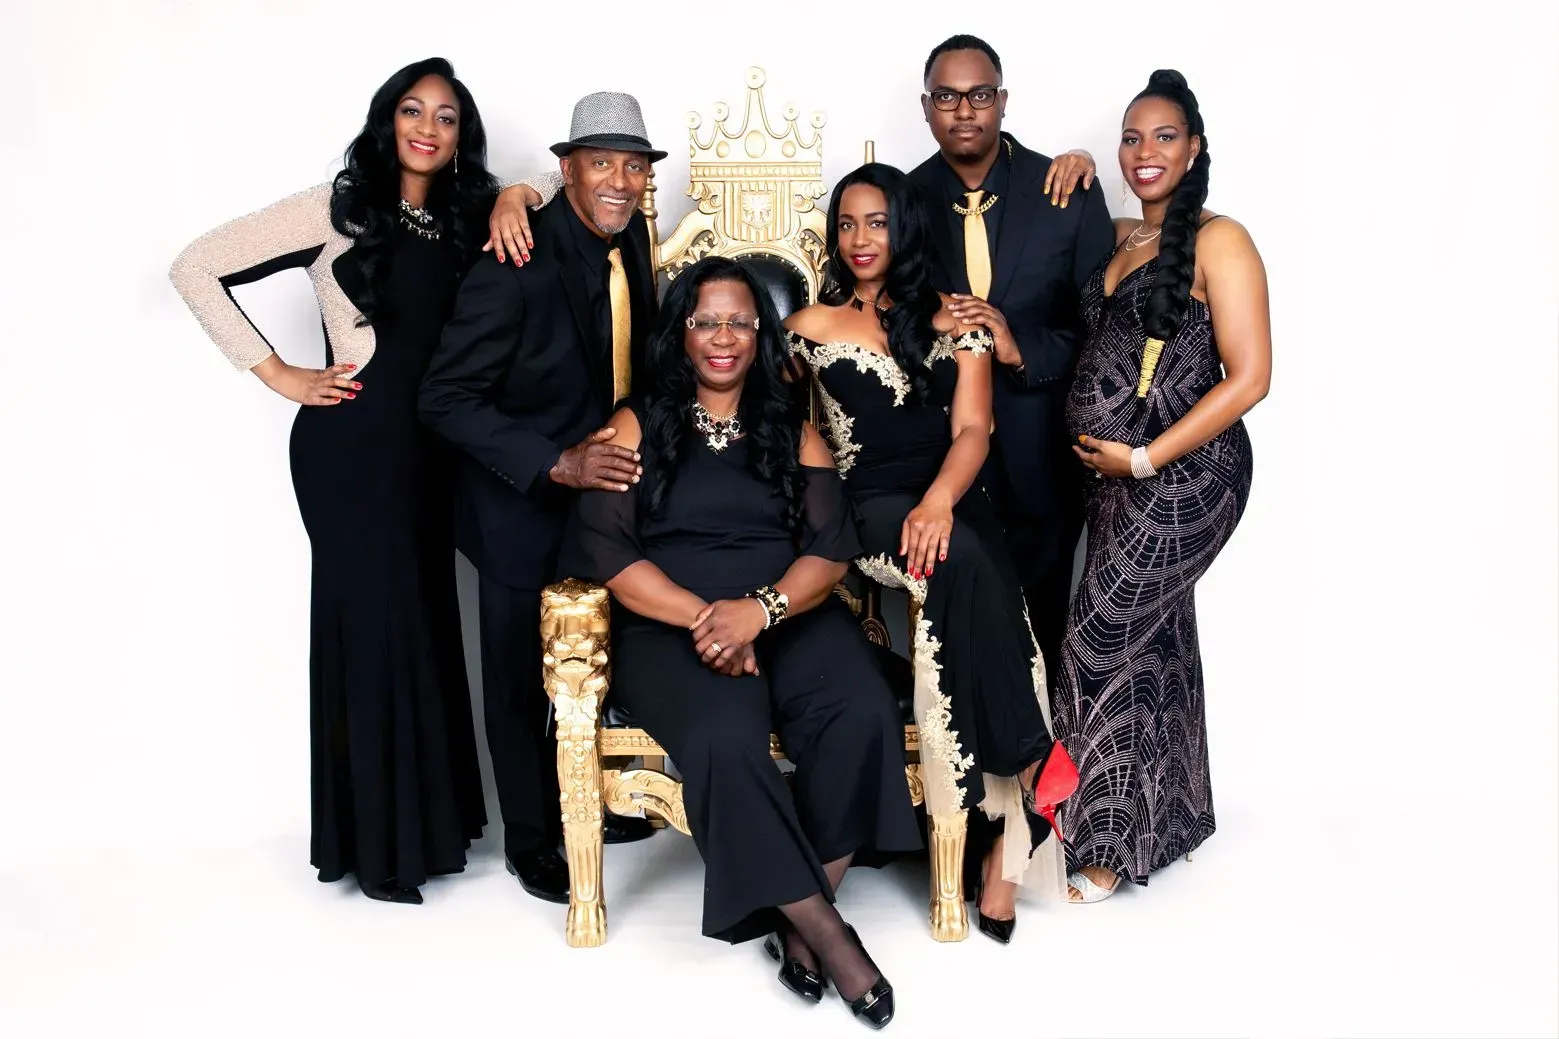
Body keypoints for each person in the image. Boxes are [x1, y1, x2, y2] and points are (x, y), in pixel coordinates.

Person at [167, 57, 542, 904]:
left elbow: (554, 183)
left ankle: (434, 828)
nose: (427, 128)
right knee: (372, 632)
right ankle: (377, 849)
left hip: (436, 451)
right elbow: (196, 266)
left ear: (460, 138)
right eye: (413, 110)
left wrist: (515, 193)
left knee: (424, 625)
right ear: (386, 119)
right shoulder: (334, 209)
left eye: (447, 118)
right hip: (354, 450)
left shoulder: (464, 213)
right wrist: (280, 373)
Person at [562, 256, 917, 1028]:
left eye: (739, 322)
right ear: (681, 333)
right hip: (668, 623)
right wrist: (706, 617)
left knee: (860, 708)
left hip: (785, 612)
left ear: (760, 334)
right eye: (705, 321)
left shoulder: (793, 427)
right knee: (723, 737)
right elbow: (612, 556)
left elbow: (827, 550)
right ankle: (826, 929)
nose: (723, 337)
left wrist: (758, 610)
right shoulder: (635, 422)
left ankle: (792, 920)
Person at [784, 163, 1078, 945]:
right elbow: (773, 420)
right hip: (868, 502)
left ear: (904, 227)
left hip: (950, 490)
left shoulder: (959, 319)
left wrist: (941, 498)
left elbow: (973, 430)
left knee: (970, 553)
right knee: (969, 562)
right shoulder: (811, 326)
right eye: (846, 224)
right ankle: (1032, 767)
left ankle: (997, 855)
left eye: (875, 222)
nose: (858, 240)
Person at [418, 91, 663, 905]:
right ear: (566, 170)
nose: (621, 181)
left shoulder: (632, 244)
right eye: (602, 163)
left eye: (634, 165)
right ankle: (532, 838)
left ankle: (588, 801)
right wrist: (554, 463)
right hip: (517, 506)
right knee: (520, 679)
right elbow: (445, 397)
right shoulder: (512, 257)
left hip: (606, 508)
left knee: (595, 662)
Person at [1057, 70, 1270, 903]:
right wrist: (1071, 163)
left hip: (1186, 477)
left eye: (1164, 137)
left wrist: (1143, 459)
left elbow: (1250, 377)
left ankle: (1100, 842)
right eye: (1130, 138)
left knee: (1097, 638)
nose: (1145, 153)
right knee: (1157, 639)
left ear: (1196, 150)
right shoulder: (1120, 238)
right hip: (1110, 485)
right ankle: (1172, 816)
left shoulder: (1222, 240)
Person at [906, 34, 1115, 680]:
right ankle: (969, 783)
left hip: (1040, 459)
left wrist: (1019, 345)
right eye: (946, 96)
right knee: (956, 649)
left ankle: (1043, 782)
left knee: (1044, 641)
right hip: (936, 465)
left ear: (1001, 101)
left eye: (977, 95)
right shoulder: (902, 202)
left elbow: (1102, 327)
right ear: (925, 106)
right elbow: (882, 314)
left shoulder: (1065, 191)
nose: (962, 110)